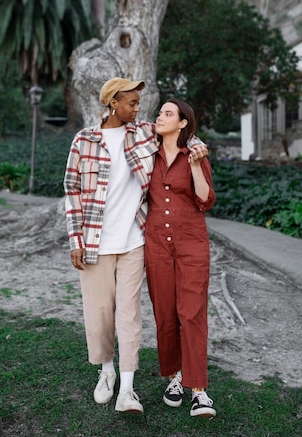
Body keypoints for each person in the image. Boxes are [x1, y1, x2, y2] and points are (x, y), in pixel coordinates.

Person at [63, 78, 207, 414]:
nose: (137, 108)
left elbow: (180, 135)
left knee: (129, 315)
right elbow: (71, 191)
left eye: (138, 103)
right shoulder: (84, 140)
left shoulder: (142, 132)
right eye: (131, 102)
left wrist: (197, 145)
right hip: (95, 241)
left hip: (134, 241)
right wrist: (76, 240)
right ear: (113, 103)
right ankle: (107, 371)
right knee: (99, 315)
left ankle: (127, 389)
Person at [144, 99, 217, 418]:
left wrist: (197, 164)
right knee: (164, 311)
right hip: (156, 240)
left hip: (191, 240)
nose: (160, 116)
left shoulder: (195, 155)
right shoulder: (147, 151)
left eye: (168, 113)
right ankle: (174, 377)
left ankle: (198, 389)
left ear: (183, 123)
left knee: (192, 311)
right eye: (159, 112)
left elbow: (205, 200)